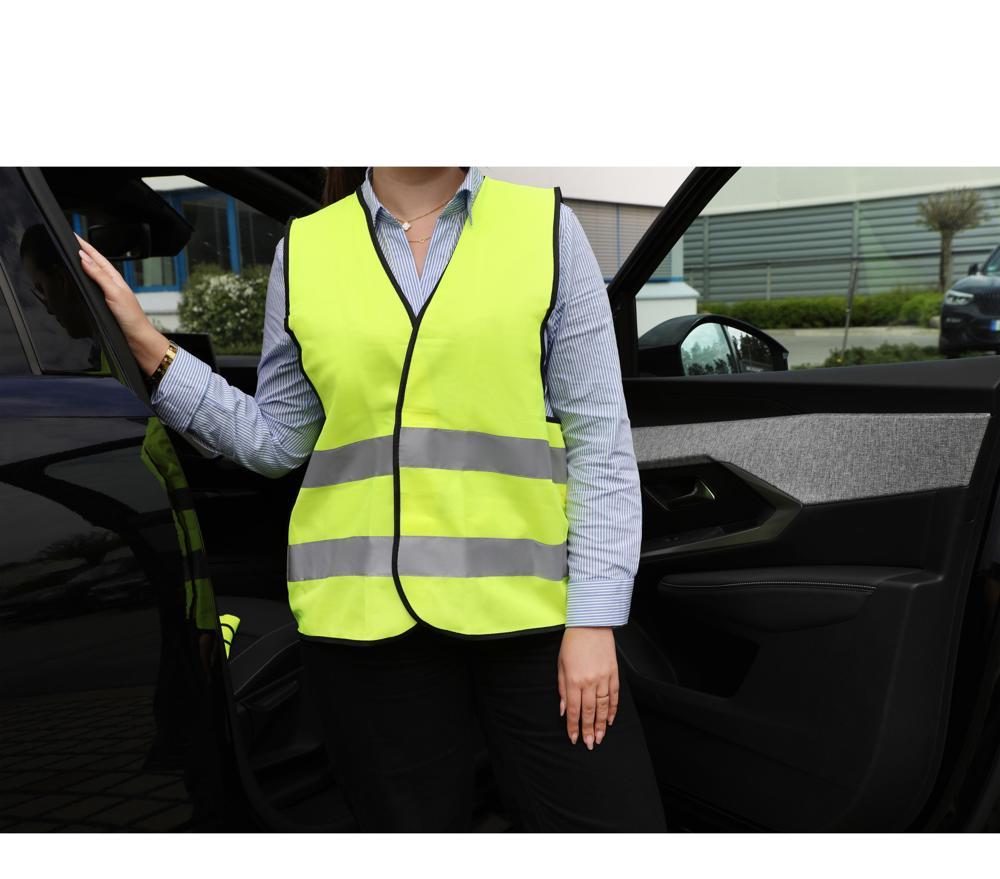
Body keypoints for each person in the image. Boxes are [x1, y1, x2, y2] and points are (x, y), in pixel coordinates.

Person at [75, 166, 668, 833]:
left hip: (532, 619)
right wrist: (151, 347)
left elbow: (599, 442)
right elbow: (277, 440)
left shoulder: (546, 229)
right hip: (363, 625)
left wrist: (594, 621)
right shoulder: (306, 249)